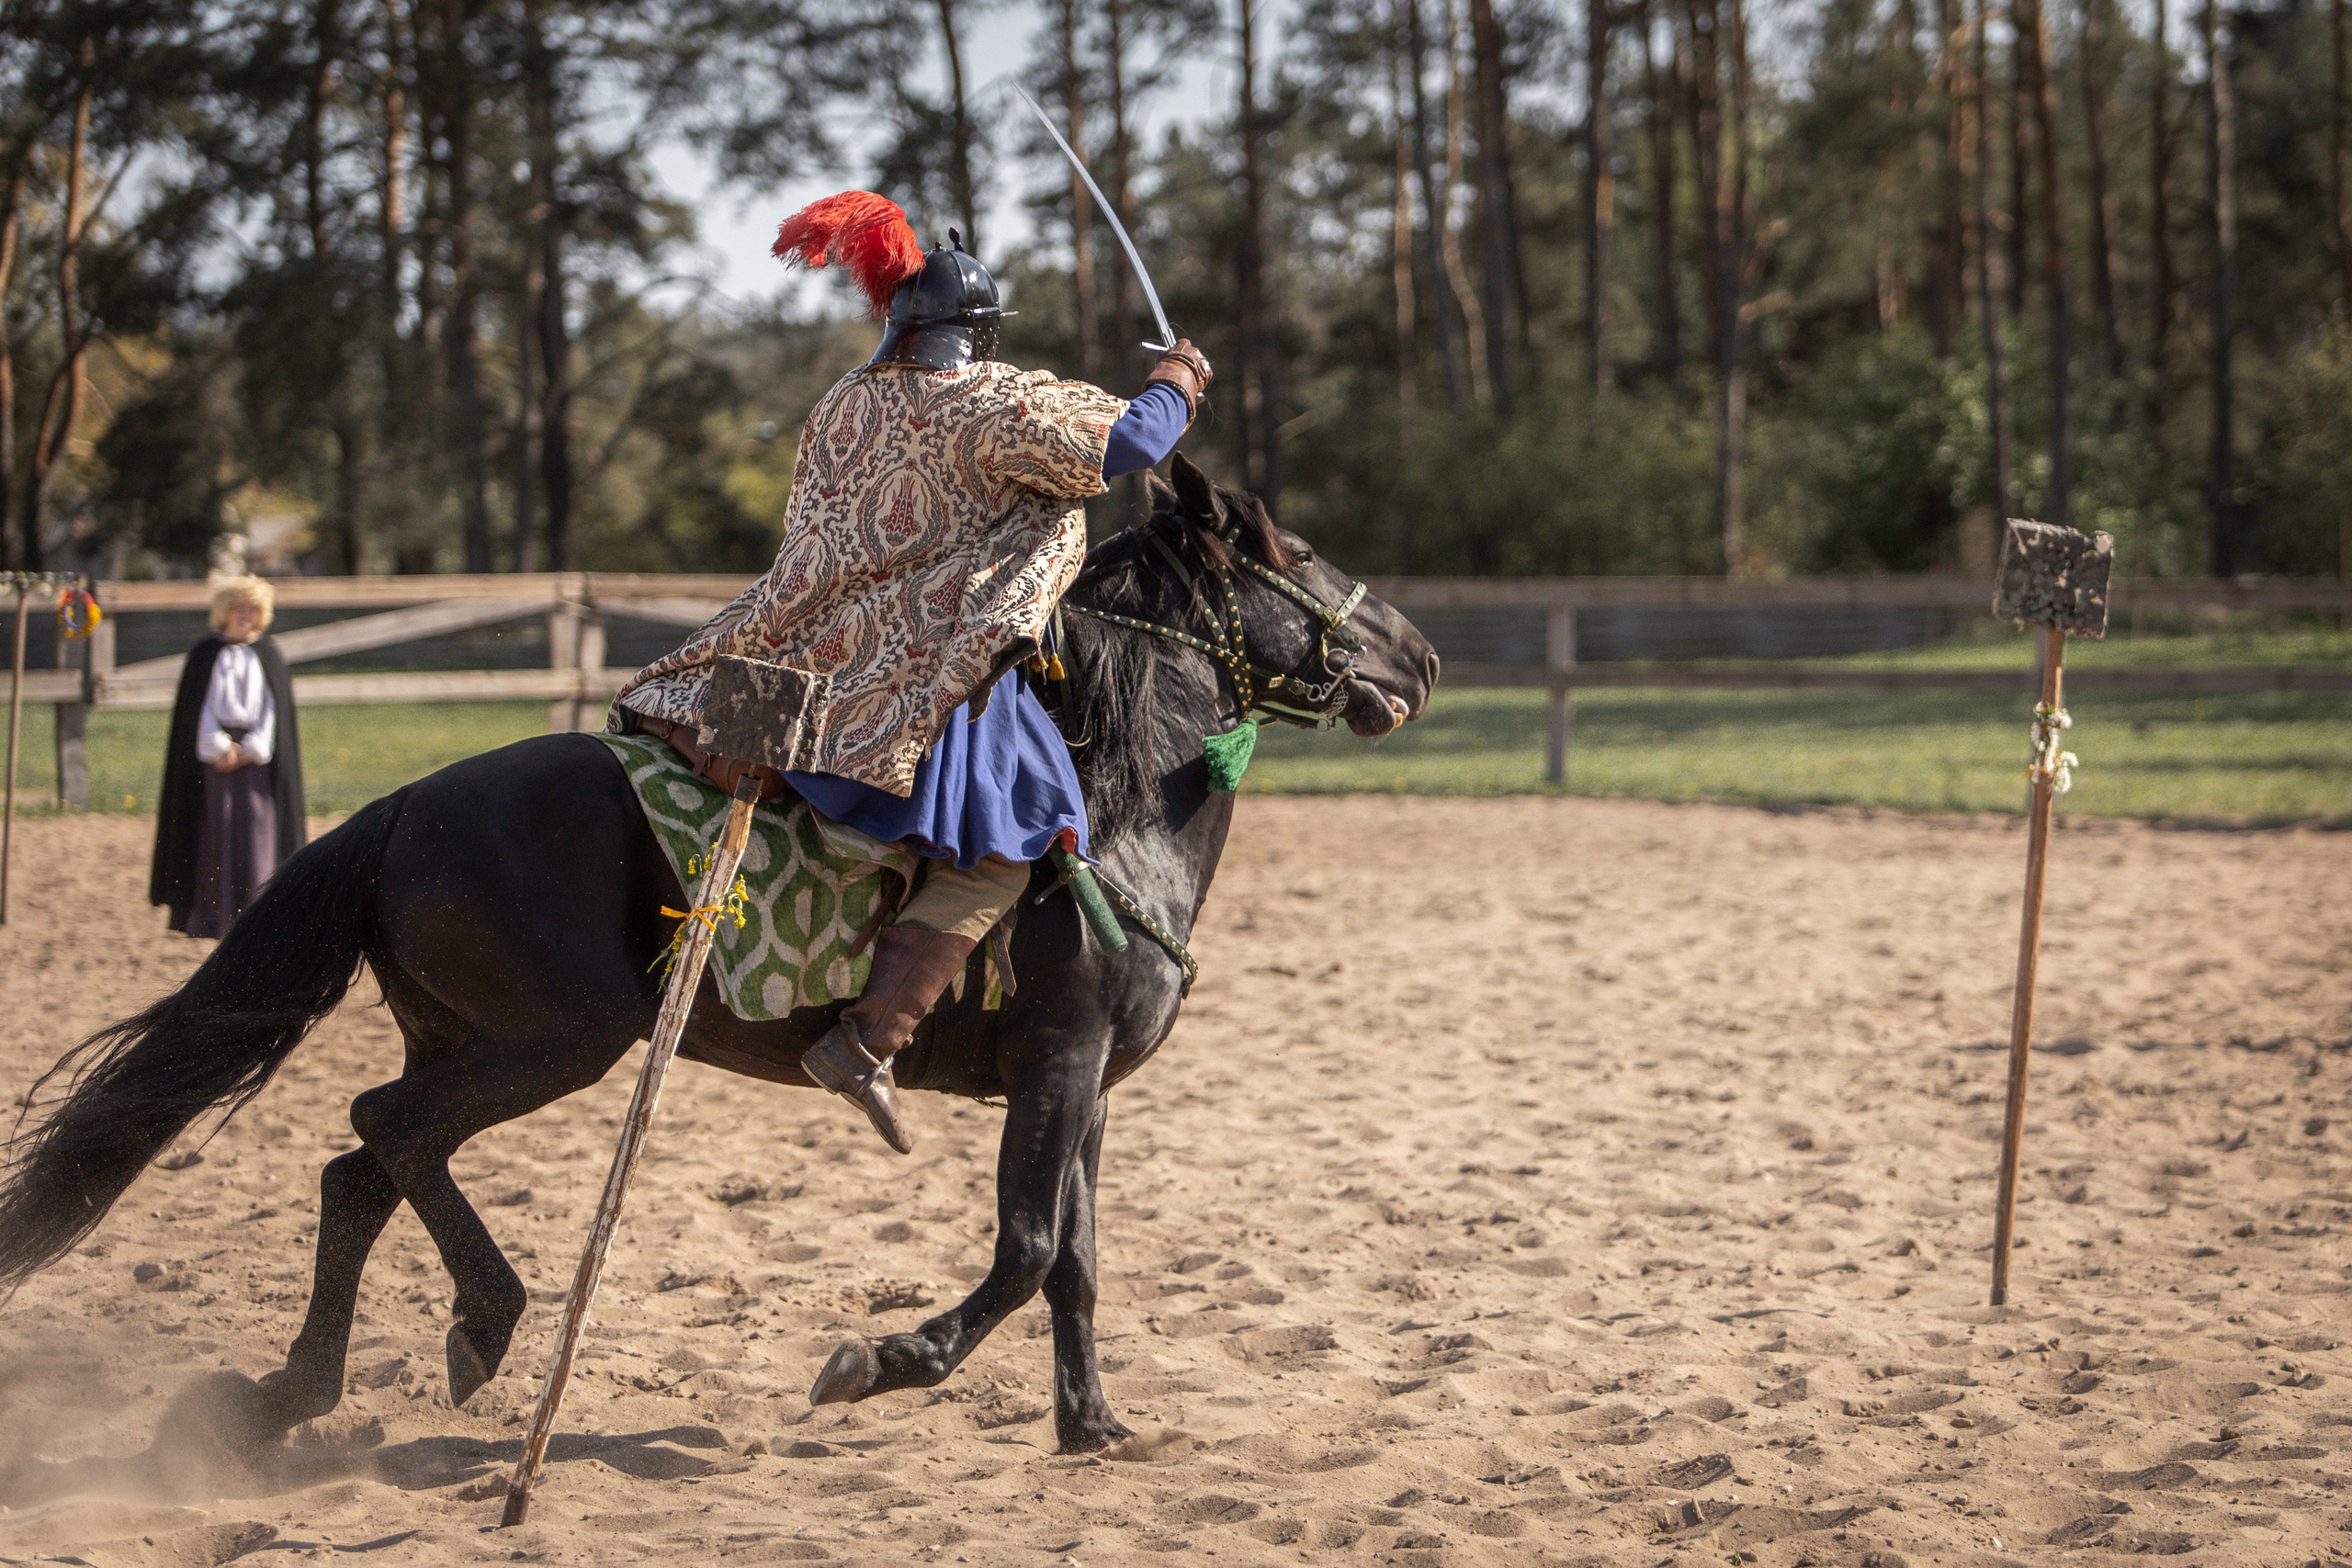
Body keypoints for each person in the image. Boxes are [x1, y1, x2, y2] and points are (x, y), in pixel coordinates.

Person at [612, 191, 1209, 1155]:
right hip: (914, 664)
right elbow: (1134, 445)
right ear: (979, 334)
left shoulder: (844, 400)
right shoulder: (989, 407)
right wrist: (1178, 379)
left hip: (784, 654)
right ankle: (871, 1036)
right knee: (1013, 838)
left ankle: (738, 774)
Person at [151, 576, 307, 939]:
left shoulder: (269, 654)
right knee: (215, 831)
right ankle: (213, 916)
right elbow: (198, 709)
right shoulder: (206, 655)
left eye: (253, 610)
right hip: (215, 759)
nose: (246, 616)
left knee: (257, 830)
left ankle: (258, 914)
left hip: (257, 759)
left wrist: (251, 749)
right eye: (239, 609)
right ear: (224, 612)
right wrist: (220, 749)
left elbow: (273, 710)